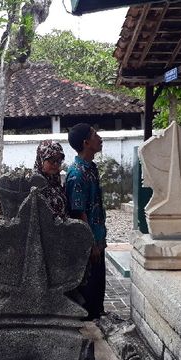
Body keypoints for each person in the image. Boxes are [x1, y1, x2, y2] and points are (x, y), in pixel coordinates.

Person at [66, 123, 107, 320]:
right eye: (95, 135)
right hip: (88, 244)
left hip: (98, 239)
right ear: (86, 143)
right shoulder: (77, 174)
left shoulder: (92, 169)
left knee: (98, 291)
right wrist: (91, 245)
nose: (100, 138)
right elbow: (78, 213)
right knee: (88, 295)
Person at [33, 140, 67, 218]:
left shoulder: (55, 180)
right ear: (41, 159)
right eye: (52, 160)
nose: (56, 164)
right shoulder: (35, 182)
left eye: (59, 160)